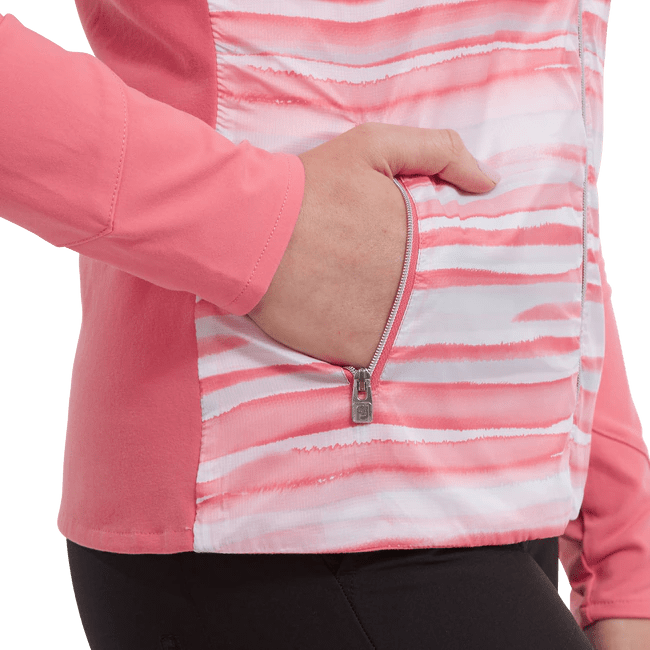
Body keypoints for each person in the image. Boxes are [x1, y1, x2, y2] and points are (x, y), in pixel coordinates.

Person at [0, 1, 648, 649]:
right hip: (292, 482)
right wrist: (261, 225)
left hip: (513, 487)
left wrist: (622, 545)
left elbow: (539, 158)